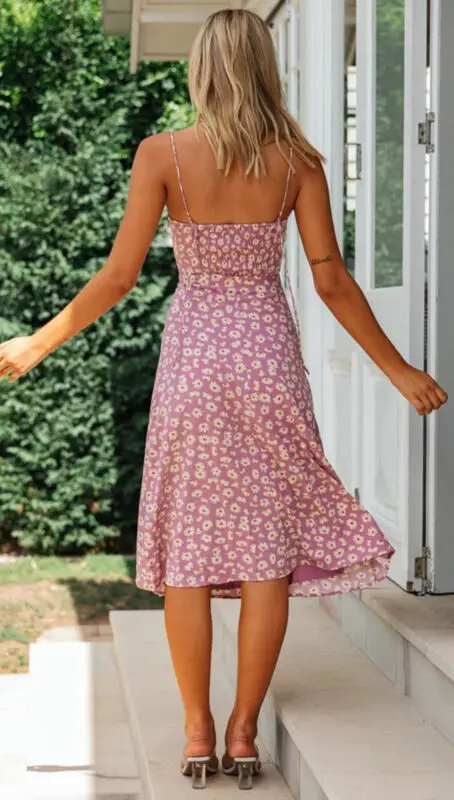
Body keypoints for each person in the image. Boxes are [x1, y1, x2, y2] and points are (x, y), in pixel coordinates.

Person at [0, 7, 448, 792]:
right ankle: (244, 732)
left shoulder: (163, 154)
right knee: (266, 552)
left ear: (202, 71)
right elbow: (332, 282)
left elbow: (119, 277)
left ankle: (197, 731)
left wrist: (36, 343)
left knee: (190, 552)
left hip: (195, 367)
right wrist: (400, 370)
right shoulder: (298, 163)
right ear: (267, 70)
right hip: (267, 360)